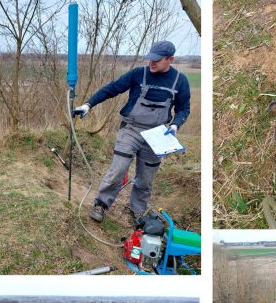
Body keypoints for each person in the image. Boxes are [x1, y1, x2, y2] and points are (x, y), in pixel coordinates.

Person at [73, 41, 191, 224]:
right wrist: (88, 104)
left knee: (145, 179)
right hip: (131, 129)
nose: (151, 63)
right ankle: (101, 204)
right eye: (150, 58)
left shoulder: (180, 81)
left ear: (170, 59)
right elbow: (111, 89)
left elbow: (184, 109)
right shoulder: (138, 74)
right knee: (118, 169)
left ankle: (137, 211)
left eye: (157, 60)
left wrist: (175, 125)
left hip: (158, 135)